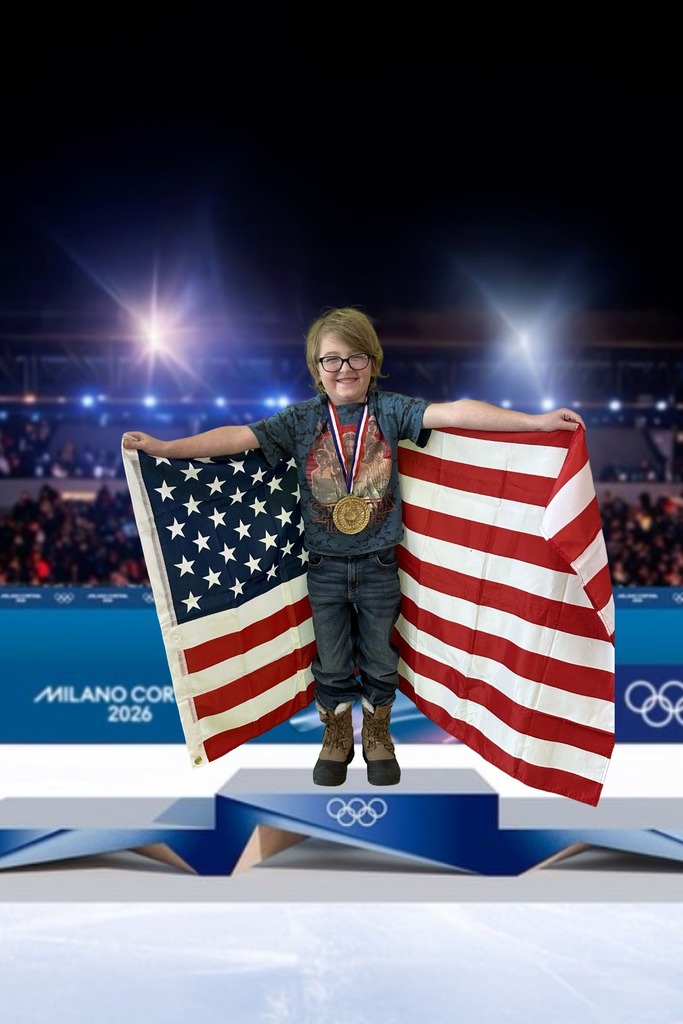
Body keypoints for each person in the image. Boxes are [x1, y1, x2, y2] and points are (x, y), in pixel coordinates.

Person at [123, 307, 585, 788]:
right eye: (332, 360)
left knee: (381, 657)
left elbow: (455, 411)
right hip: (322, 568)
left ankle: (378, 732)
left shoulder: (389, 411)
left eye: (356, 358)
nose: (345, 369)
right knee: (332, 659)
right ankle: (337, 732)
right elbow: (236, 438)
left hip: (380, 565)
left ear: (373, 360)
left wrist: (536, 419)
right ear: (316, 369)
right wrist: (166, 447)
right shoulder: (301, 421)